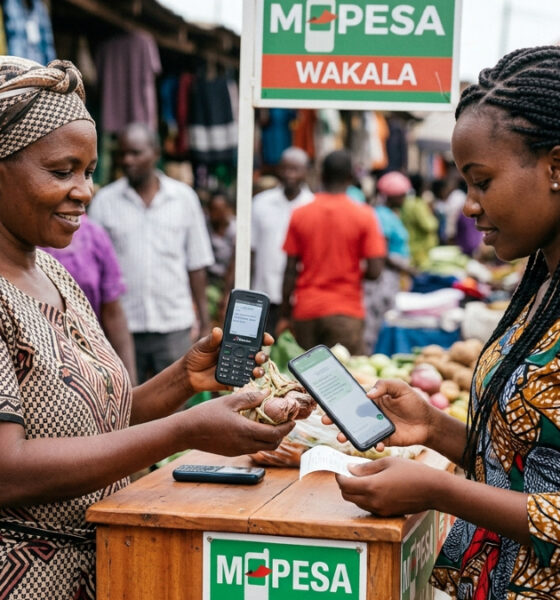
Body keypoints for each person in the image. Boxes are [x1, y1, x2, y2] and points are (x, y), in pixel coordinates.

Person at [0, 56, 294, 599]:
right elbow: (8, 470)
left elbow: (96, 425)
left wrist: (184, 379)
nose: (85, 192)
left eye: (89, 172)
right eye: (61, 172)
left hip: (105, 568)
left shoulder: (51, 272)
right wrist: (185, 430)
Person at [325, 46, 560, 599]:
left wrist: (438, 490)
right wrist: (435, 429)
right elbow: (524, 462)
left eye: (482, 181)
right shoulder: (541, 286)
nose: (470, 205)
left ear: (556, 167)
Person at [89, 122, 214, 383]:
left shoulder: (183, 198)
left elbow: (196, 264)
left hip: (173, 325)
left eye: (135, 153)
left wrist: (204, 321)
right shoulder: (104, 202)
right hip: (122, 328)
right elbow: (94, 269)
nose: (127, 160)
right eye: (123, 154)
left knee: (174, 407)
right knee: (125, 405)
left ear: (155, 153)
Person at [280, 150, 386, 355]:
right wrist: (350, 273)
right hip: (346, 311)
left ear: (321, 176)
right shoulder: (365, 215)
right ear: (350, 178)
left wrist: (285, 315)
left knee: (302, 383)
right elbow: (375, 270)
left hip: (306, 311)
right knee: (349, 380)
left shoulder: (300, 214)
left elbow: (290, 271)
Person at [42, 214, 138, 384]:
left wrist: (129, 382)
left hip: (91, 366)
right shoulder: (12, 243)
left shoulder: (92, 234)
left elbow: (113, 313)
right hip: (40, 369)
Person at [251, 146, 313, 335]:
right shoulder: (261, 202)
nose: (289, 174)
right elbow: (249, 249)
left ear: (306, 172)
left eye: (295, 169)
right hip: (264, 294)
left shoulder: (312, 206)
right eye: (285, 168)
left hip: (299, 299)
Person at [363, 171, 415, 352]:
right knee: (379, 317)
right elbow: (380, 252)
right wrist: (404, 267)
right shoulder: (382, 216)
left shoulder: (390, 214)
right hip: (384, 277)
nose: (404, 200)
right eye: (401, 196)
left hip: (393, 275)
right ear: (392, 196)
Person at [401, 172, 439, 268]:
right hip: (420, 253)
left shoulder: (407, 203)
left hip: (411, 247)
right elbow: (429, 225)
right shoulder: (418, 205)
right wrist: (433, 216)